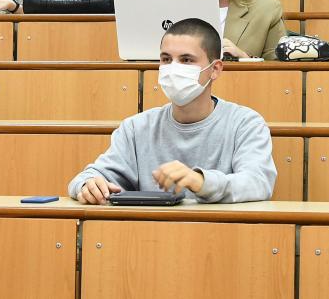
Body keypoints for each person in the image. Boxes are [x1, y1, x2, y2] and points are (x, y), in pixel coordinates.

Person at [68, 18, 277, 204]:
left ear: (215, 69)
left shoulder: (245, 123)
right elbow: (87, 177)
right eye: (166, 59)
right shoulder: (136, 128)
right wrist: (87, 185)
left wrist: (201, 181)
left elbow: (258, 182)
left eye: (186, 60)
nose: (173, 68)